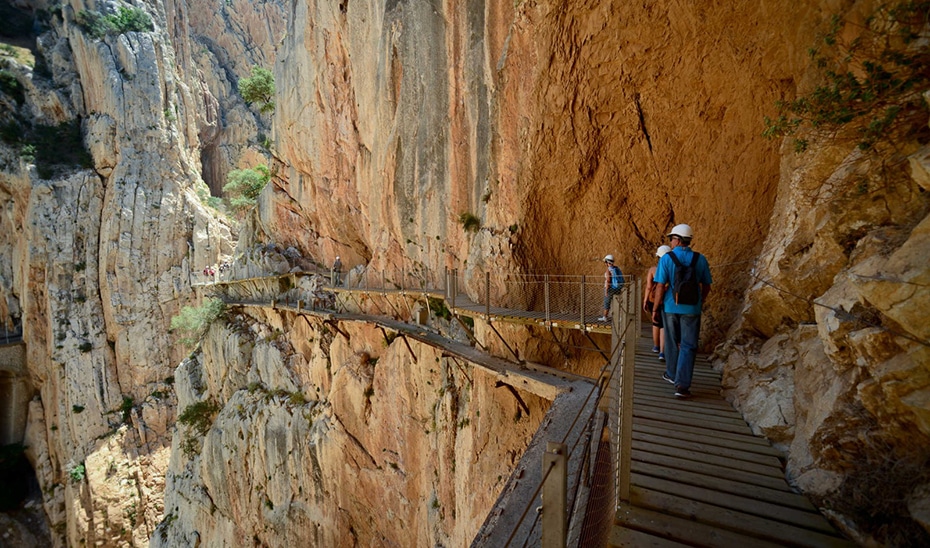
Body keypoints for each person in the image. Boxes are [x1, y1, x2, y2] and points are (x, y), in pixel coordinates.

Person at [652, 224, 712, 398]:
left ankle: (671, 374)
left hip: (671, 307)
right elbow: (706, 285)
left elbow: (660, 287)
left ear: (677, 240)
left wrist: (656, 308)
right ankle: (682, 385)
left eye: (672, 239)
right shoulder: (700, 259)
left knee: (671, 341)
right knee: (689, 345)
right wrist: (700, 301)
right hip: (692, 308)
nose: (670, 242)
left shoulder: (667, 259)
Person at [643, 245, 672, 360]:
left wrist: (645, 300)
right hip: (666, 300)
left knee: (656, 323)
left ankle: (656, 346)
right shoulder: (673, 269)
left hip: (653, 300)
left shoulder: (653, 270)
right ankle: (662, 352)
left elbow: (649, 287)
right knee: (664, 326)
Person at [598, 254, 624, 322]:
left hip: (610, 289)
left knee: (607, 303)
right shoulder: (616, 268)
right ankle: (620, 317)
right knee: (618, 303)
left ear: (607, 262)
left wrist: (606, 290)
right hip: (617, 288)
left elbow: (608, 281)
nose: (605, 263)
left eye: (605, 262)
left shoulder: (608, 270)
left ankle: (605, 317)